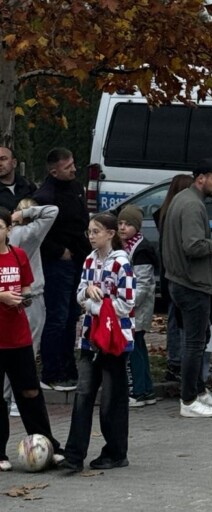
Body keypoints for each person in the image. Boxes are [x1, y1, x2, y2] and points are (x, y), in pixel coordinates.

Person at [59, 212, 134, 474]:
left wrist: (96, 303)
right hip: (91, 337)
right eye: (89, 231)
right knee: (83, 396)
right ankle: (73, 455)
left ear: (111, 234)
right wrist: (88, 295)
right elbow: (80, 292)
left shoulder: (122, 263)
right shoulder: (90, 260)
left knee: (113, 400)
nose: (91, 236)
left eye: (96, 231)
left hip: (115, 339)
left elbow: (126, 304)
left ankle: (116, 452)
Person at [161, 158, 212, 418]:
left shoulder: (183, 199)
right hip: (191, 283)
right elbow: (192, 246)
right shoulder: (191, 204)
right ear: (200, 177)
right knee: (193, 343)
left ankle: (199, 392)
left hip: (182, 281)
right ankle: (189, 401)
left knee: (198, 340)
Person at [0, 206, 64, 472]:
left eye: (0, 225)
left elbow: (27, 286)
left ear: (8, 229)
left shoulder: (18, 254)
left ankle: (48, 444)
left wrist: (23, 298)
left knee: (30, 391)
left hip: (18, 336)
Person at [34, 147, 90, 391]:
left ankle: (69, 367)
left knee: (71, 316)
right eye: (68, 167)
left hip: (77, 257)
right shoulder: (45, 196)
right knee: (56, 317)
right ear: (54, 170)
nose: (74, 170)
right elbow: (39, 234)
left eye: (73, 165)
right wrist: (59, 251)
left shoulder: (76, 188)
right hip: (58, 262)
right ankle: (52, 371)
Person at [4, 198, 58, 416]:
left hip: (7, 298)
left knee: (7, 352)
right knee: (27, 352)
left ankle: (6, 397)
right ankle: (17, 399)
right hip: (30, 297)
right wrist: (26, 214)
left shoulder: (10, 238)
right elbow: (52, 210)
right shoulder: (29, 234)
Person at [154, 173, 194, 383]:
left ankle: (175, 361)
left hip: (168, 276)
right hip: (179, 276)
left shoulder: (164, 214)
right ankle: (177, 363)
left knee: (173, 318)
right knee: (179, 320)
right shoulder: (177, 216)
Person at [117, 206, 158, 408]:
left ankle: (138, 390)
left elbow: (143, 284)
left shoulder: (141, 250)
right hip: (132, 306)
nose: (123, 228)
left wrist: (128, 304)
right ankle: (146, 389)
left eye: (128, 224)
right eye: (120, 224)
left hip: (136, 308)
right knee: (138, 347)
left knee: (133, 348)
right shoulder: (125, 246)